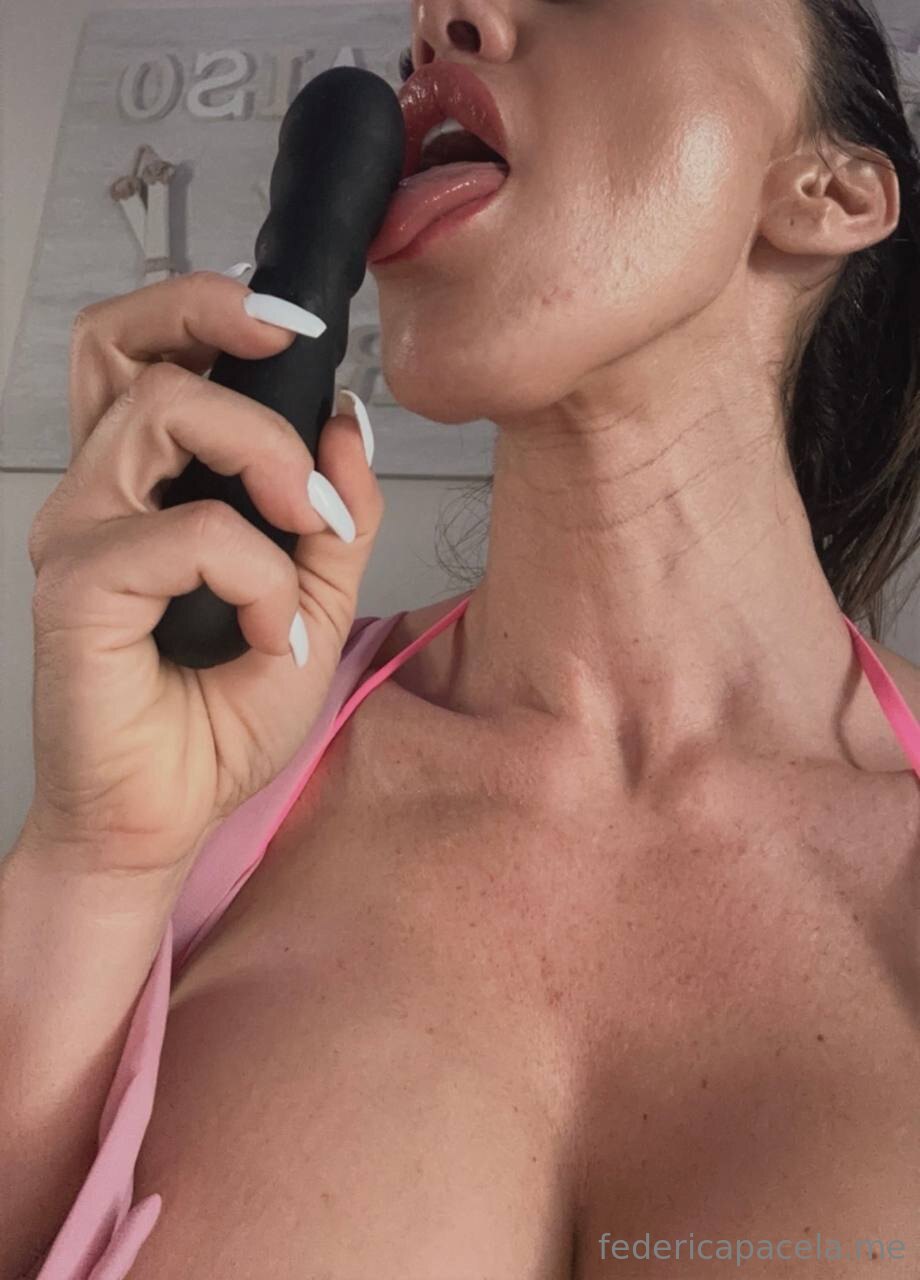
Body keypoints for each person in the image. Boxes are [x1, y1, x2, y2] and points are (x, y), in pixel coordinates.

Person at [3, 0, 920, 1277]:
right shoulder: (202, 781)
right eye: (424, 23)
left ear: (827, 191)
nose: (443, 17)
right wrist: (96, 859)